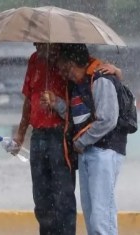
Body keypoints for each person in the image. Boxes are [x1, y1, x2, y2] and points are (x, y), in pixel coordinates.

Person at [47, 43, 126, 235]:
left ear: (75, 63)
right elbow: (78, 118)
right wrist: (56, 103)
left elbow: (108, 119)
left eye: (66, 68)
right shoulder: (79, 85)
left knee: (101, 215)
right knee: (91, 213)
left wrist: (81, 142)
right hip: (87, 152)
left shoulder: (101, 80)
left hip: (103, 151)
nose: (64, 74)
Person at [13, 43, 77, 235]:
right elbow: (28, 99)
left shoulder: (68, 61)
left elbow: (79, 104)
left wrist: (56, 101)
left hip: (60, 136)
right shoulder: (34, 60)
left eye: (40, 41)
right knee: (41, 200)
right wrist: (21, 134)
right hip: (38, 136)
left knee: (63, 199)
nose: (35, 44)